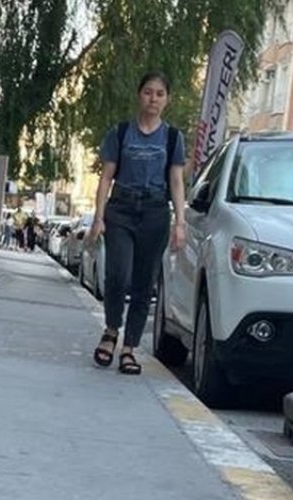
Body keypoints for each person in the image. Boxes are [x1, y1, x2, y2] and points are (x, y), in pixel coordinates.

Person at [85, 71, 187, 375]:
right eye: (148, 92)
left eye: (159, 93)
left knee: (144, 284)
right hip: (122, 210)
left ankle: (129, 348)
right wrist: (98, 218)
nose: (153, 98)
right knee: (117, 274)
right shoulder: (120, 133)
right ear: (138, 95)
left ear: (166, 100)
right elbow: (105, 177)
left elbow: (177, 181)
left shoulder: (172, 137)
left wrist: (180, 222)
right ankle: (111, 330)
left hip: (155, 212)